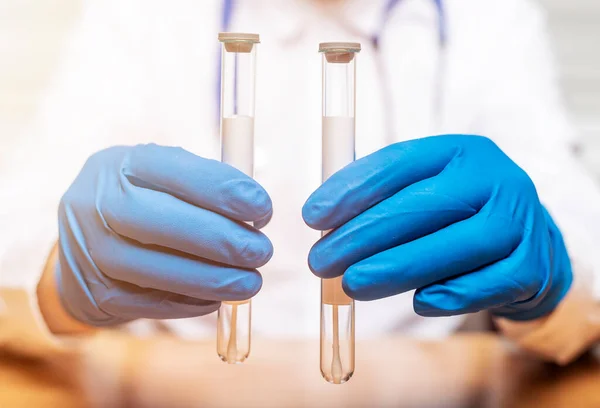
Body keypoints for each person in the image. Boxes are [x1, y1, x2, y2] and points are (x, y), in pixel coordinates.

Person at [1, 0, 600, 366]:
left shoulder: (486, 18)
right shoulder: (146, 15)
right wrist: (59, 280)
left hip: (430, 380)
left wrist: (550, 269)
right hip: (178, 380)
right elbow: (18, 231)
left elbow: (573, 219)